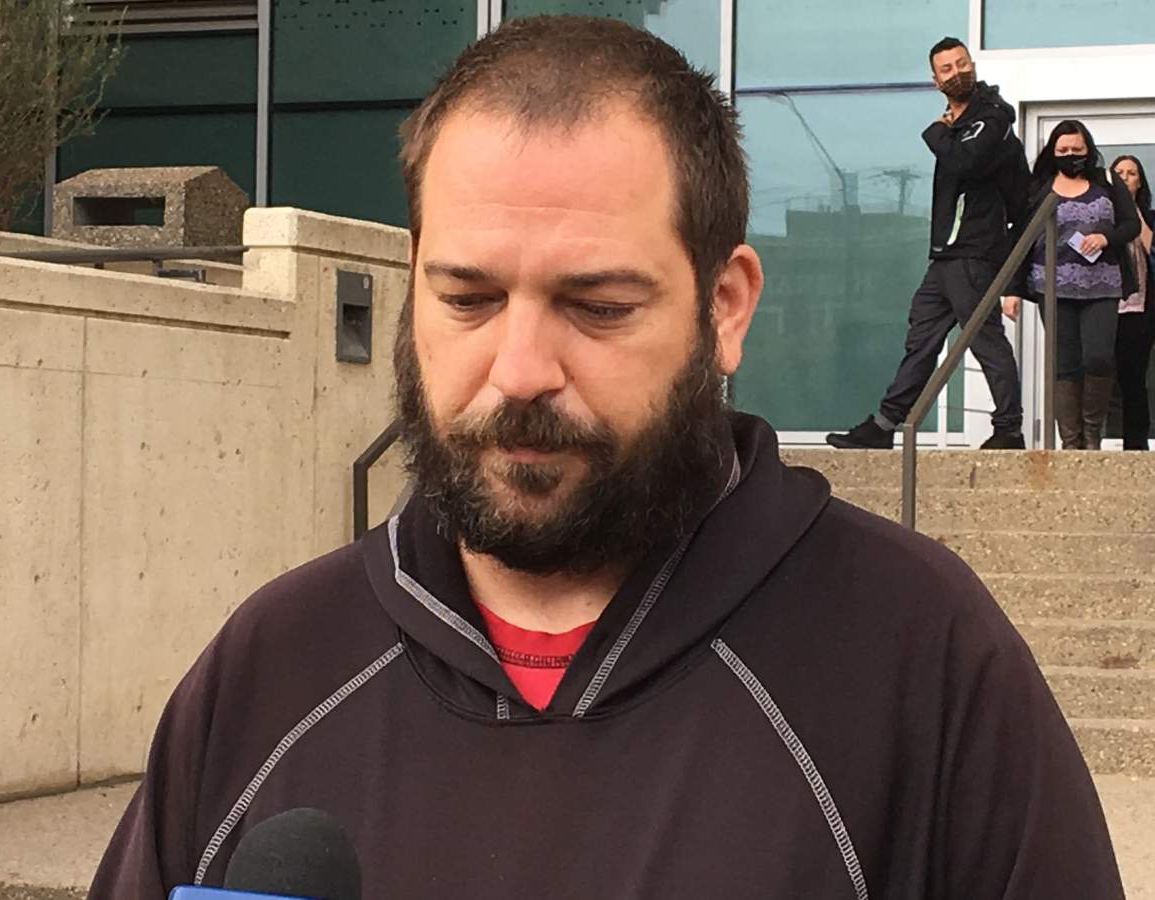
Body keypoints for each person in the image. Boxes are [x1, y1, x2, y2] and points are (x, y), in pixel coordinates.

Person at [89, 17, 1124, 899]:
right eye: (468, 298)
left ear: (726, 307)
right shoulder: (270, 668)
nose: (522, 368)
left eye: (597, 306)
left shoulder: (922, 661)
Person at [827, 37, 1029, 451]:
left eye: (961, 63)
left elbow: (964, 162)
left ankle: (1009, 429)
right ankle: (884, 425)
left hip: (973, 251)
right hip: (947, 255)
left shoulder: (990, 119)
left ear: (972, 65)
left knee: (984, 339)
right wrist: (946, 131)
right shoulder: (959, 126)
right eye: (947, 68)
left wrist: (937, 132)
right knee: (922, 337)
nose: (957, 72)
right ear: (935, 80)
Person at [1002, 123, 1140, 450]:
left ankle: (1092, 434)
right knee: (1064, 363)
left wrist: (1106, 236)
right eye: (1062, 151)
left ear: (1088, 150)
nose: (1070, 156)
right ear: (1052, 152)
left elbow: (1131, 224)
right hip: (1052, 288)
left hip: (1102, 285)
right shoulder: (1038, 188)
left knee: (1099, 357)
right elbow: (1020, 239)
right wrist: (1012, 289)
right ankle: (1070, 440)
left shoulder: (1107, 182)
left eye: (1077, 150)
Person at [1111, 154, 1154, 449]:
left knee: (1133, 377)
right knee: (1100, 373)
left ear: (1140, 181)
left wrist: (1133, 211)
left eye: (1132, 173)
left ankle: (1135, 444)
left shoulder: (1148, 217)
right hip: (1104, 305)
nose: (1126, 177)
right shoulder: (1101, 213)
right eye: (1120, 172)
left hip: (1140, 307)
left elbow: (1152, 249)